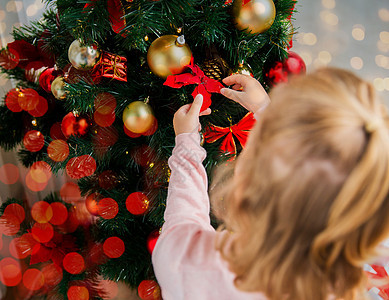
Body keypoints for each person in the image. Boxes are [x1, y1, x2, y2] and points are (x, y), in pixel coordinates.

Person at [152, 68, 389, 300]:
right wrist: (265, 110)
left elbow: (181, 225)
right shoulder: (354, 265)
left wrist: (187, 144)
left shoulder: (203, 265)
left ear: (250, 187)